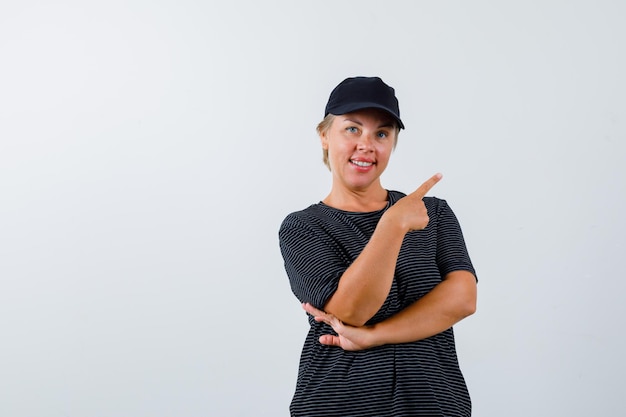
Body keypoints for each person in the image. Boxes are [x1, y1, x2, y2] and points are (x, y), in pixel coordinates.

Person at [278, 76, 478, 417]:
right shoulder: (303, 227)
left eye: (381, 134)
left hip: (433, 401)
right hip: (339, 403)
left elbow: (462, 298)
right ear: (325, 136)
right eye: (352, 129)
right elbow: (353, 310)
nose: (366, 145)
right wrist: (391, 225)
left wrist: (374, 336)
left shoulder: (434, 213)